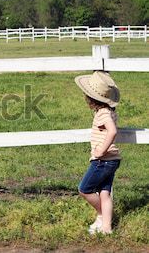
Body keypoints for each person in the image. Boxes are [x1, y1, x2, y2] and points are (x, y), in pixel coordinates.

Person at [74, 71, 121, 235]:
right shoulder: (109, 111)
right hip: (112, 160)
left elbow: (112, 131)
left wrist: (101, 150)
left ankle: (101, 214)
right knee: (104, 193)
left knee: (84, 189)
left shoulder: (103, 113)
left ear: (91, 98)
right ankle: (106, 228)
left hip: (103, 160)